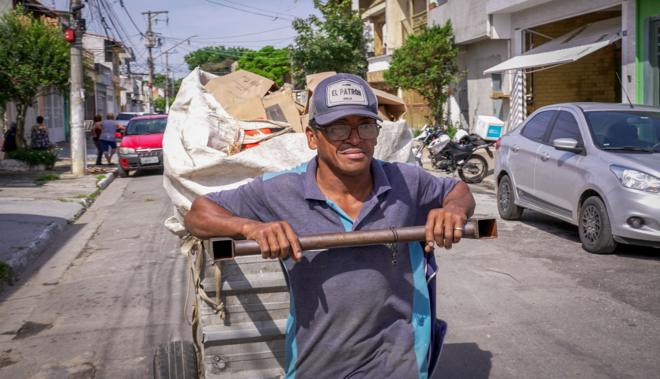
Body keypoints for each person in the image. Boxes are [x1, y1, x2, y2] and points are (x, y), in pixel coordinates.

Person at [184, 73, 476, 378]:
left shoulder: (407, 181)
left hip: (399, 362)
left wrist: (453, 210)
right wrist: (250, 228)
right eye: (338, 128)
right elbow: (198, 213)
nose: (354, 139)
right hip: (318, 363)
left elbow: (458, 191)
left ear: (376, 134)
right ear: (312, 137)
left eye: (364, 125)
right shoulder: (280, 190)